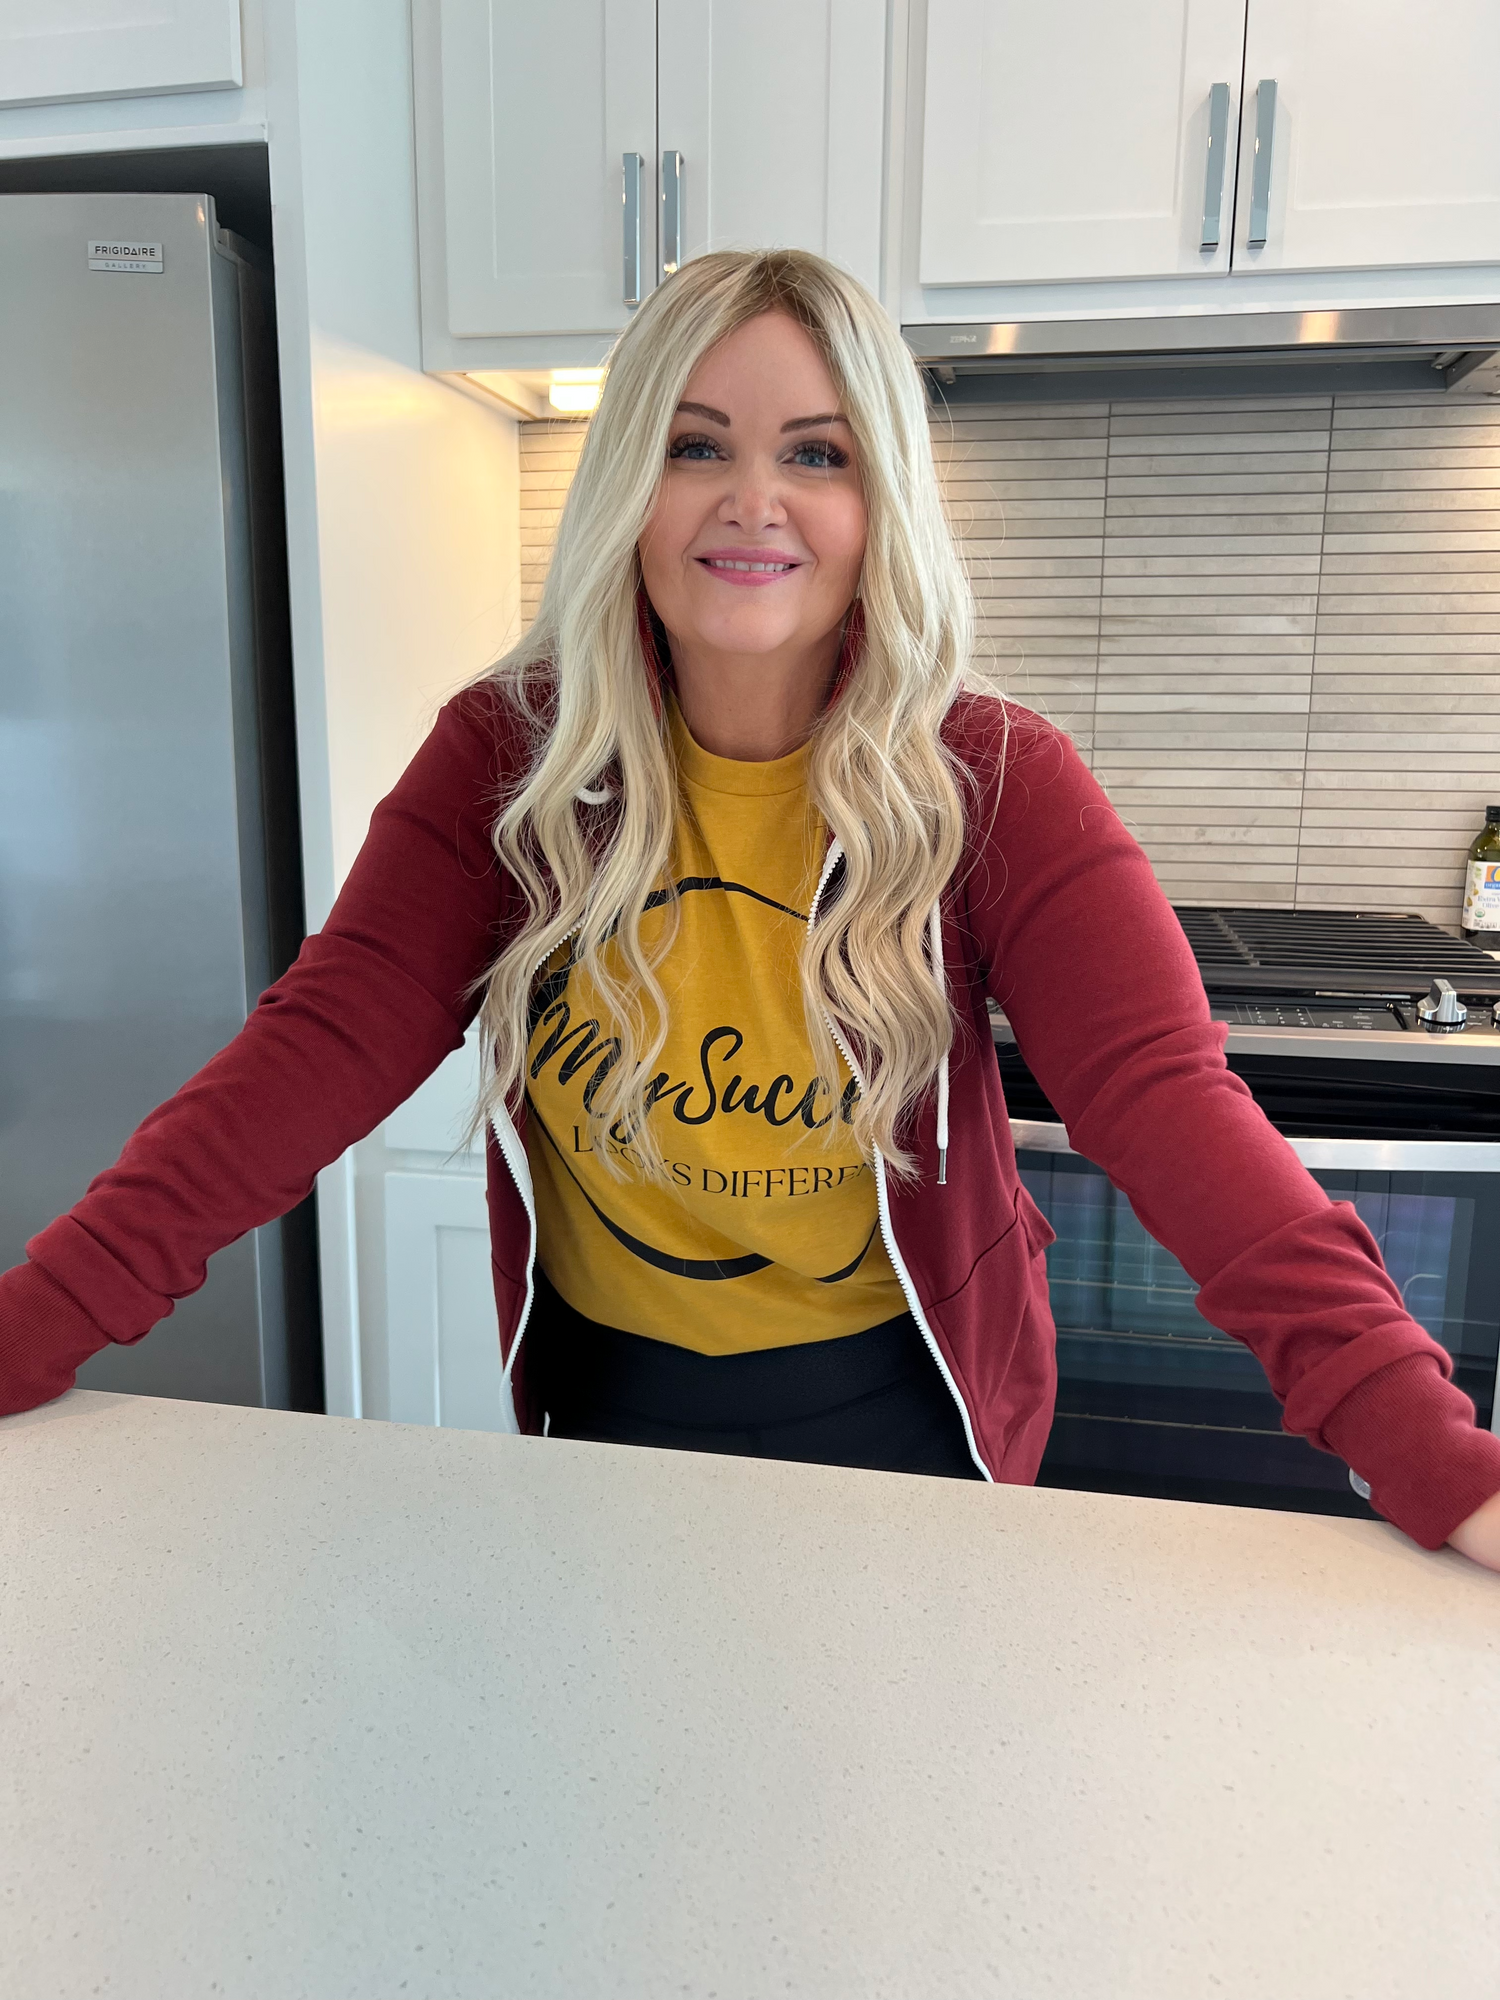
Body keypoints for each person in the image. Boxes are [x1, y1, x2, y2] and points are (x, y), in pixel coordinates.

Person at [2, 248, 1497, 1572]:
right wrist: (30, 1327)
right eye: (695, 444)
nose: (753, 499)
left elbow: (1169, 1104)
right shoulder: (509, 761)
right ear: (627, 487)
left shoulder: (993, 780)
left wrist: (1437, 1459)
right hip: (602, 1405)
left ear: (879, 501)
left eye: (817, 453)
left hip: (906, 1420)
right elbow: (311, 1052)